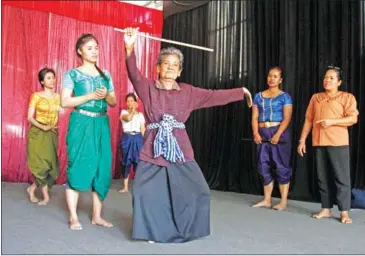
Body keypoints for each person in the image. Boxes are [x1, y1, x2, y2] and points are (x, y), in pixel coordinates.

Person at [123, 27, 253, 243]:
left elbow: (214, 96)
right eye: (167, 64)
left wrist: (241, 92)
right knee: (143, 192)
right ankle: (152, 231)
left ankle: (186, 228)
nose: (171, 68)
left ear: (180, 71)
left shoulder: (189, 92)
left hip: (180, 148)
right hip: (152, 148)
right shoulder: (147, 88)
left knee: (199, 190)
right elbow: (133, 73)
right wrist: (129, 47)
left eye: (176, 65)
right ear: (158, 68)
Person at [61, 33, 117, 230]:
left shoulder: (105, 75)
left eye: (96, 47)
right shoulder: (72, 74)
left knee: (103, 168)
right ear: (80, 51)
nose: (95, 51)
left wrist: (105, 95)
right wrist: (91, 95)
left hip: (101, 123)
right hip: (81, 122)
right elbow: (65, 101)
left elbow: (113, 102)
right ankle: (73, 217)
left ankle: (97, 216)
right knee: (77, 165)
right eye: (89, 48)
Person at [297, 66, 358, 224]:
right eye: (325, 78)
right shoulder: (316, 98)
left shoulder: (347, 97)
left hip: (338, 143)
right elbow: (309, 120)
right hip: (318, 142)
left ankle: (344, 212)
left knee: (341, 178)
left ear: (339, 82)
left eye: (331, 78)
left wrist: (332, 122)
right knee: (322, 177)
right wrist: (302, 140)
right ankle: (326, 208)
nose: (327, 80)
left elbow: (352, 119)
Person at [251, 67, 293, 211]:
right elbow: (254, 116)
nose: (272, 79)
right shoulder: (258, 96)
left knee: (281, 165)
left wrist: (278, 134)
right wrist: (256, 133)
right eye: (270, 76)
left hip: (278, 131)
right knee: (263, 165)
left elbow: (287, 117)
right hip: (262, 132)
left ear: (280, 80)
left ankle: (283, 201)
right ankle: (267, 200)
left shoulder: (285, 97)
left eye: (275, 76)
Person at [27, 67, 60, 206]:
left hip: (52, 134)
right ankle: (46, 197)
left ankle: (32, 188)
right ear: (42, 81)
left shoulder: (58, 97)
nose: (52, 80)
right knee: (40, 165)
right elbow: (29, 117)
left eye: (53, 77)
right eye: (48, 78)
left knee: (50, 166)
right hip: (38, 133)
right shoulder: (36, 96)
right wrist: (44, 127)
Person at [119, 93, 145, 193]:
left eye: (132, 101)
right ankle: (125, 187)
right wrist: (133, 110)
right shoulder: (123, 112)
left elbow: (143, 129)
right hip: (127, 138)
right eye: (128, 101)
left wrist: (146, 141)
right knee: (126, 161)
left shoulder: (140, 115)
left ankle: (139, 186)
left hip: (138, 138)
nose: (129, 103)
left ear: (135, 102)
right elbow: (129, 118)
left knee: (138, 162)